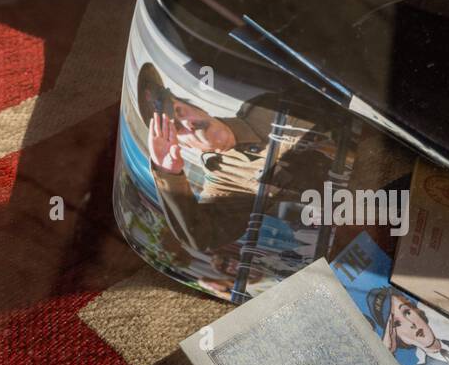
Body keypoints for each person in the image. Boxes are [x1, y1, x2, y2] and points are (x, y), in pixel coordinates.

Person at [137, 62, 337, 254]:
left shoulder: (262, 106)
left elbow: (330, 95)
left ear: (198, 108)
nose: (190, 123)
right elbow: (201, 237)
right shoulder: (224, 185)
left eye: (180, 111)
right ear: (182, 146)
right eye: (178, 128)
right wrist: (169, 174)